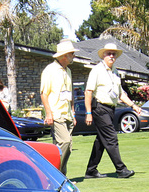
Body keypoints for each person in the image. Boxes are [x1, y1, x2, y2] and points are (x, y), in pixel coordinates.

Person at [83, 42, 137, 178]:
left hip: (110, 109)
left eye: (114, 54)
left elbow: (120, 94)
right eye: (109, 54)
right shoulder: (96, 70)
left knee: (101, 141)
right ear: (103, 56)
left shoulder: (115, 72)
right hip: (99, 108)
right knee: (111, 137)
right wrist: (88, 112)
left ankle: (91, 170)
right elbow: (88, 92)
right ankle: (121, 169)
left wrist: (133, 105)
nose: (111, 56)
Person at [40, 39, 78, 173]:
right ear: (64, 55)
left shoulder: (68, 71)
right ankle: (54, 174)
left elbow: (70, 94)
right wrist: (49, 114)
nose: (74, 56)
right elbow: (44, 94)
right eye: (72, 53)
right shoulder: (50, 70)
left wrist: (73, 113)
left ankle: (61, 177)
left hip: (67, 114)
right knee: (65, 142)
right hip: (56, 114)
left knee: (66, 147)